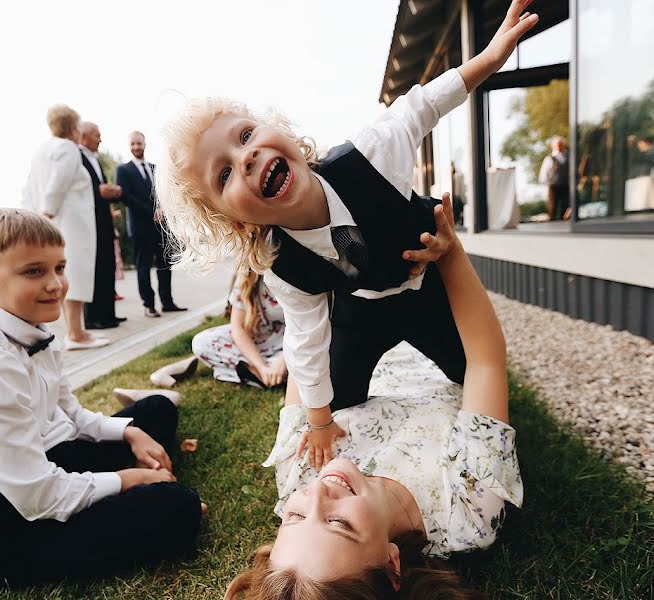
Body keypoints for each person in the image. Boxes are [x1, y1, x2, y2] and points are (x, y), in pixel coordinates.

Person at [156, 0, 539, 470]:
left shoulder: (369, 156)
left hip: (426, 286)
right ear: (238, 221)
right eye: (224, 175)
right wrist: (318, 422)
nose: (247, 157)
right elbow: (304, 340)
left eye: (245, 136)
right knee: (339, 398)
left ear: (279, 129)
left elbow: (421, 106)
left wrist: (491, 58)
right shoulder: (285, 265)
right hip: (364, 309)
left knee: (473, 376)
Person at [225, 194, 523, 599]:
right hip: (439, 363)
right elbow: (486, 362)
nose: (319, 493)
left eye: (294, 516)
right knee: (413, 237)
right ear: (392, 564)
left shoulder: (303, 476)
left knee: (363, 247)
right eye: (338, 524)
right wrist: (449, 250)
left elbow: (305, 366)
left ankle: (327, 202)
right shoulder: (466, 512)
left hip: (362, 348)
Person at [0, 208, 204, 585]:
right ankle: (150, 496)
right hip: (0, 515)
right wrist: (129, 480)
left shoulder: (33, 331)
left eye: (60, 268)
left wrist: (132, 433)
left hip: (43, 460)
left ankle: (138, 486)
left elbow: (73, 418)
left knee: (156, 411)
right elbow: (37, 496)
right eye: (34, 271)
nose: (56, 285)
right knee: (178, 509)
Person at [22, 104, 108, 350]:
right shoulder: (68, 148)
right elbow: (58, 183)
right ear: (73, 127)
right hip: (70, 223)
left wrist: (36, 216)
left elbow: (29, 187)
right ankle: (76, 334)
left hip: (51, 220)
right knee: (76, 275)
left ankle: (74, 331)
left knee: (61, 275)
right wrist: (47, 214)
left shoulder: (41, 149)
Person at [116, 131, 186, 318]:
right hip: (140, 227)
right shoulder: (123, 170)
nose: (136, 147)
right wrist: (152, 211)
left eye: (139, 143)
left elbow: (165, 192)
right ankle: (149, 305)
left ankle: (167, 302)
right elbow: (126, 197)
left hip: (161, 226)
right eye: (133, 144)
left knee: (165, 265)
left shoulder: (156, 168)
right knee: (143, 267)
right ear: (129, 146)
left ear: (145, 144)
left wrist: (163, 209)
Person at [194, 269, 286, 389]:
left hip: (296, 341)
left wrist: (284, 361)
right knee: (202, 342)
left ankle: (260, 375)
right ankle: (266, 374)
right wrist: (261, 366)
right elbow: (238, 328)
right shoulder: (248, 274)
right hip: (263, 338)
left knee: (308, 359)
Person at [78, 121, 126, 329]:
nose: (100, 139)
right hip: (88, 225)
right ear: (84, 137)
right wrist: (99, 192)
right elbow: (78, 190)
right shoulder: (76, 159)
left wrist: (111, 192)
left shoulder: (95, 160)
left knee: (107, 267)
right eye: (97, 135)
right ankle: (92, 318)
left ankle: (109, 315)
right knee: (94, 269)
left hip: (104, 224)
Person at [538, 136, 570, 221]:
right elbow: (544, 173)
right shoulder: (549, 158)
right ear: (554, 146)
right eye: (557, 144)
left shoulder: (568, 157)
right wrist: (546, 184)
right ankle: (552, 222)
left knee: (565, 205)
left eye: (561, 144)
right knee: (553, 206)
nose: (559, 146)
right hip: (553, 185)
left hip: (565, 184)